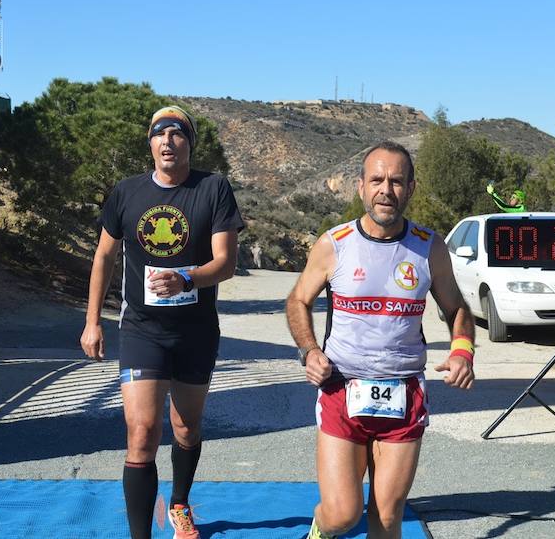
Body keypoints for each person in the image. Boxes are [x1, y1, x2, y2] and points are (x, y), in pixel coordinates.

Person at [286, 140, 475, 539]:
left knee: (388, 518)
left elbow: (457, 309)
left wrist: (462, 352)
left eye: (396, 181)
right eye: (377, 180)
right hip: (341, 388)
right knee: (342, 515)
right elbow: (298, 300)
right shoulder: (334, 244)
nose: (385, 190)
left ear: (411, 189)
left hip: (404, 392)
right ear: (361, 187)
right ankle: (319, 531)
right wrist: (309, 351)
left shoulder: (429, 247)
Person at [80, 105, 244, 539]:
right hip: (141, 330)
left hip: (195, 331)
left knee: (185, 428)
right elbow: (104, 256)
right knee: (143, 430)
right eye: (159, 134)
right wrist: (92, 321)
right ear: (150, 144)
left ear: (190, 143)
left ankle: (179, 504)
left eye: (178, 134)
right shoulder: (126, 194)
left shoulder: (213, 189)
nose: (168, 140)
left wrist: (187, 276)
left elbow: (226, 262)